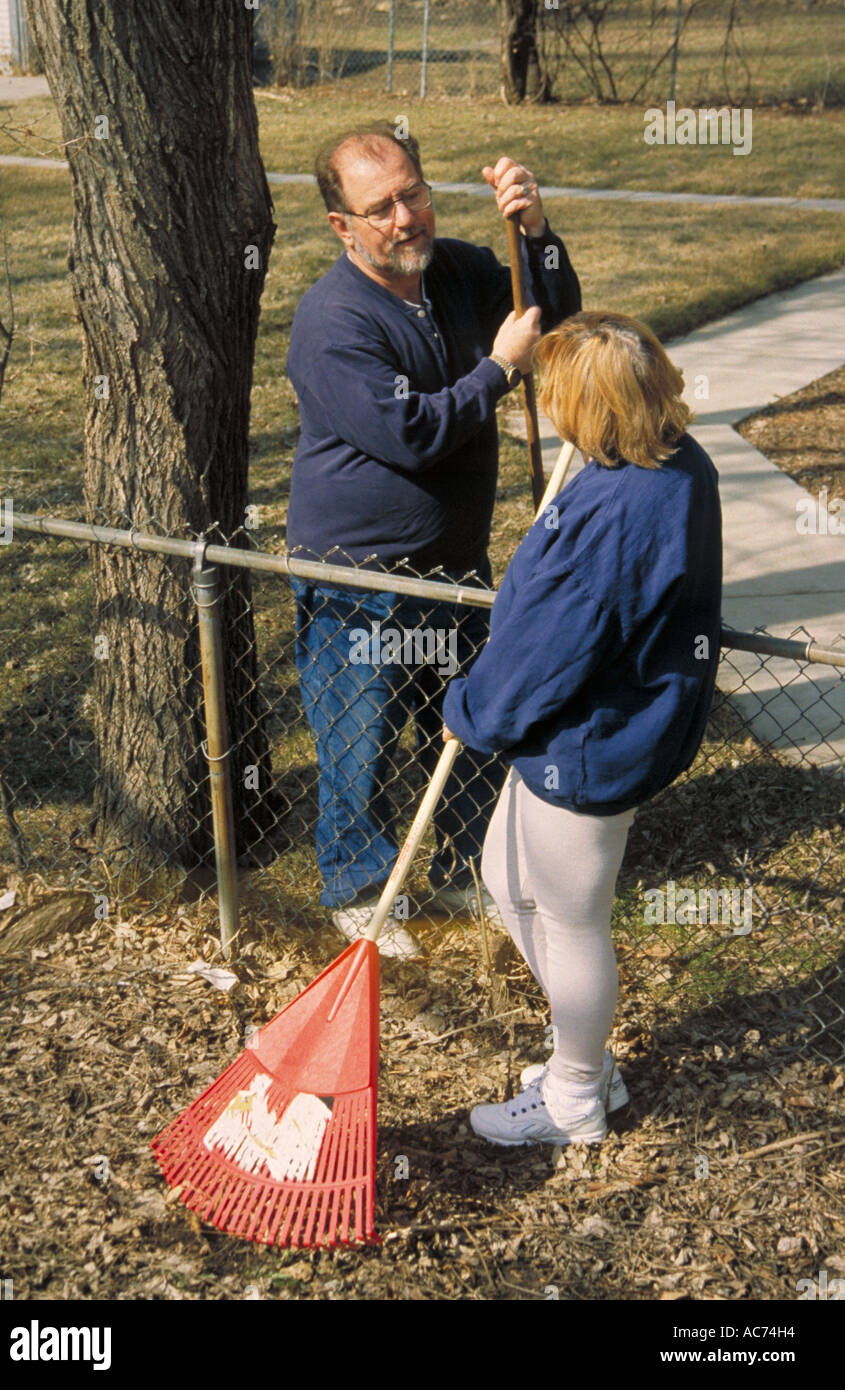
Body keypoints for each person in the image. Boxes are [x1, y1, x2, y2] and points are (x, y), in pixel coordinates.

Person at [285, 121, 581, 957]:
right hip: (357, 573)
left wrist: (535, 234)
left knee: (467, 725)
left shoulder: (455, 269)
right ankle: (360, 890)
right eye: (379, 208)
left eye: (411, 192)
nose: (406, 217)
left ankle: (462, 867)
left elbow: (553, 316)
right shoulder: (331, 320)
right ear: (343, 226)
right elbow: (412, 433)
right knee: (362, 741)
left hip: (453, 562)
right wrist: (497, 370)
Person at [442, 311, 723, 1145]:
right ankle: (583, 1054)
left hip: (594, 738)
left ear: (594, 407)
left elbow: (549, 647)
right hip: (583, 729)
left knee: (569, 917)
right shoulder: (665, 460)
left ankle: (574, 1095)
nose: (550, 410)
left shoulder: (623, 508)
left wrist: (474, 711)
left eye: (560, 396)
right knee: (503, 872)